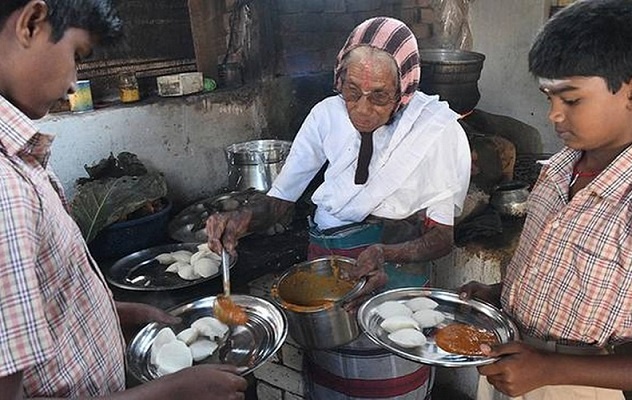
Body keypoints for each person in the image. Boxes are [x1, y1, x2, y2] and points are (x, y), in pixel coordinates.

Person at [207, 16, 471, 399]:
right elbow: (281, 200)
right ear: (338, 81)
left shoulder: (435, 133)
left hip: (396, 291)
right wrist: (243, 219)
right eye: (351, 91)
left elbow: (441, 239)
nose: (362, 109)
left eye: (379, 95)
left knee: (391, 386)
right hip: (326, 292)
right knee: (332, 384)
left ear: (404, 90)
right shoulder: (326, 116)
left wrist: (385, 252)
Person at [0, 1, 247, 399]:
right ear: (30, 24)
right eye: (77, 56)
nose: (71, 84)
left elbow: (32, 307)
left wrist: (110, 314)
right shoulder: (5, 187)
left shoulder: (21, 161)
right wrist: (169, 393)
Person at [458, 1, 632, 399]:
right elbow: (559, 274)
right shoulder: (557, 171)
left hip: (581, 385)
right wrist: (501, 294)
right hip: (512, 360)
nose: (553, 115)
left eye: (570, 100)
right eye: (548, 97)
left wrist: (550, 368)